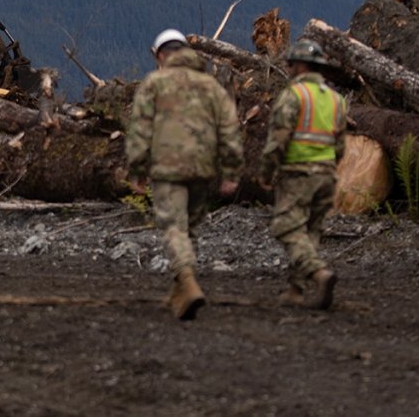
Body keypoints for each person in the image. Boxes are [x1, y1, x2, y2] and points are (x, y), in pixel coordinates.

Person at [126, 29, 243, 320]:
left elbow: (140, 130)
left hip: (167, 168)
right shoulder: (210, 86)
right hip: (203, 169)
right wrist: (230, 172)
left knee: (173, 227)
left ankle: (188, 282)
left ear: (161, 55)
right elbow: (230, 130)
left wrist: (137, 170)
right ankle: (179, 291)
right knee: (189, 228)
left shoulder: (155, 83)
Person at [258, 39, 346, 310]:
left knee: (286, 226)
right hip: (327, 173)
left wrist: (267, 170)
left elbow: (279, 138)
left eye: (291, 63)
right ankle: (296, 290)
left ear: (301, 65)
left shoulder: (294, 95)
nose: (289, 68)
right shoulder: (336, 99)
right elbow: (341, 144)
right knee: (311, 231)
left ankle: (318, 272)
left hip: (298, 172)